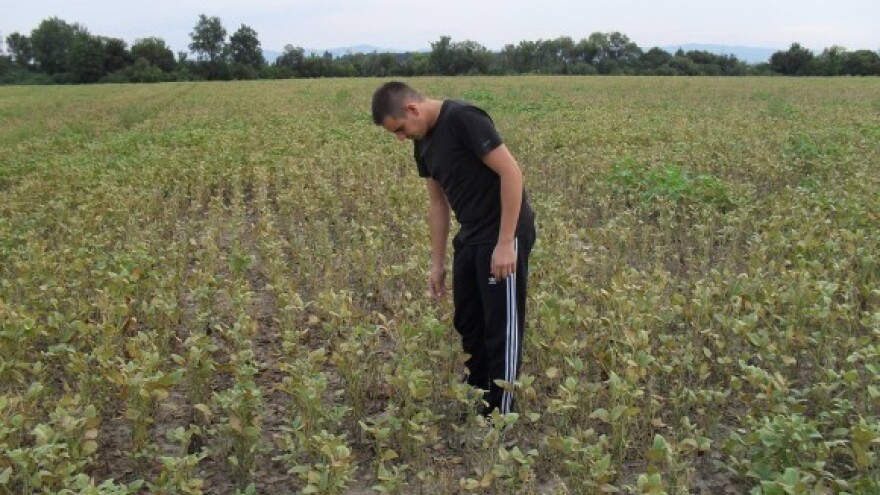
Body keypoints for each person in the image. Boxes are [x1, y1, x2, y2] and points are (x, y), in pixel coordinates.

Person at [371, 81, 536, 416]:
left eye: (400, 129)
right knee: (469, 320)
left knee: (499, 325)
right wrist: (437, 263)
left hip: (503, 230)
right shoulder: (423, 143)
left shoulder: (463, 118)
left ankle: (500, 417)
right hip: (471, 233)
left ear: (412, 109)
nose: (401, 138)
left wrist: (506, 244)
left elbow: (511, 173)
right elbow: (438, 204)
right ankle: (478, 400)